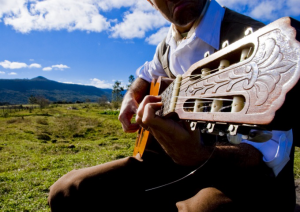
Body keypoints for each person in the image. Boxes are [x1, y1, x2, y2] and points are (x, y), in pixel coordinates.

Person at [48, 0, 296, 211]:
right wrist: (130, 98)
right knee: (67, 190)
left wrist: (198, 154)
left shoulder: (255, 40)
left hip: (243, 177)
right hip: (168, 163)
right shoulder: (167, 46)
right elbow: (146, 74)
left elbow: (273, 153)